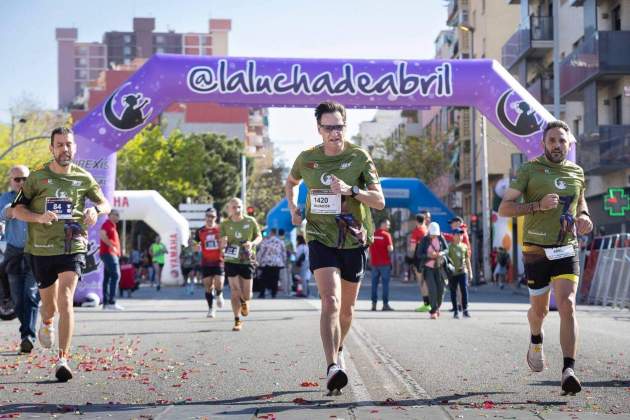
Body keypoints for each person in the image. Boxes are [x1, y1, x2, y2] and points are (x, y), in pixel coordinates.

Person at [285, 101, 385, 394]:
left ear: (345, 126)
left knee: (347, 309)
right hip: (318, 235)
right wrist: (293, 208)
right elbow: (290, 183)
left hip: (353, 238)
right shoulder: (306, 159)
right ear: (319, 129)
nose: (334, 133)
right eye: (328, 127)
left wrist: (351, 190)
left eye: (339, 126)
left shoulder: (359, 157)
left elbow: (379, 201)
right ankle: (332, 366)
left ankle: (339, 349)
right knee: (329, 301)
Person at [498, 120, 592, 395]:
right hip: (536, 249)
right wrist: (537, 205)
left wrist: (584, 216)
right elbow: (504, 208)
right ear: (543, 144)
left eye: (561, 140)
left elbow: (581, 201)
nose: (557, 145)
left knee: (568, 305)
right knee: (539, 311)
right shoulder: (530, 170)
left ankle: (568, 370)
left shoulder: (577, 172)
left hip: (566, 246)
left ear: (569, 143)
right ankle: (536, 338)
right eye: (552, 140)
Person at [12, 126, 111, 382]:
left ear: (74, 148)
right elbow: (16, 210)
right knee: (49, 306)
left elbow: (104, 202)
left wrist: (96, 211)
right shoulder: (36, 178)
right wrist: (39, 217)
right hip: (42, 250)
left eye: (68, 144)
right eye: (59, 145)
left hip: (72, 245)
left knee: (66, 299)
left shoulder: (84, 178)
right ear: (51, 148)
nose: (65, 149)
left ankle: (63, 360)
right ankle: (46, 323)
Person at [0, 165, 40, 353]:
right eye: (17, 179)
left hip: (34, 251)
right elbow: (4, 213)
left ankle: (28, 336)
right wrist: (11, 211)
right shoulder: (6, 199)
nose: (21, 182)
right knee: (17, 299)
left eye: (25, 179)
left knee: (30, 294)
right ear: (11, 181)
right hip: (14, 252)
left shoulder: (37, 198)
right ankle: (27, 333)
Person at [220, 198, 262, 331]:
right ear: (229, 209)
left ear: (242, 207)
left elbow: (259, 236)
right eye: (234, 207)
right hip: (231, 259)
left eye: (239, 207)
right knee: (234, 291)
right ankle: (237, 320)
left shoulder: (250, 221)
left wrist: (252, 243)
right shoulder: (225, 224)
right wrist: (224, 244)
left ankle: (244, 302)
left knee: (247, 294)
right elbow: (221, 242)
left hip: (247, 259)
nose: (236, 210)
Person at [416, 222, 449, 319]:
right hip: (428, 268)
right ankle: (433, 311)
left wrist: (441, 253)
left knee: (441, 289)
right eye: (432, 234)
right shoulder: (424, 240)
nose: (434, 235)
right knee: (432, 289)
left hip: (440, 267)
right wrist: (428, 255)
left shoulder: (441, 238)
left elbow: (447, 249)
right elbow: (419, 254)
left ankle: (437, 307)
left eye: (435, 234)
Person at [196, 207, 224, 318]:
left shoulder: (221, 230)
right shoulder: (200, 231)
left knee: (219, 283)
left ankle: (219, 293)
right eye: (208, 216)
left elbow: (226, 241)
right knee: (208, 286)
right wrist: (194, 246)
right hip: (206, 262)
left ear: (216, 217)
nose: (210, 218)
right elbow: (195, 243)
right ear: (205, 217)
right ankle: (211, 309)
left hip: (219, 260)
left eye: (212, 216)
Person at [99, 209, 123, 310]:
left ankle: (106, 303)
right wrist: (111, 246)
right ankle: (111, 302)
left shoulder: (112, 226)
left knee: (108, 278)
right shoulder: (107, 224)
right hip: (109, 253)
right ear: (110, 215)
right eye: (116, 214)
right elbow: (102, 234)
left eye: (118, 215)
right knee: (115, 275)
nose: (118, 216)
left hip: (110, 253)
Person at [369, 218, 394, 311]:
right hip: (385, 264)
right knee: (385, 285)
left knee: (374, 284)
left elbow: (369, 248)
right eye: (387, 224)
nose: (389, 226)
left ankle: (374, 304)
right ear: (382, 224)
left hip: (374, 263)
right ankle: (385, 305)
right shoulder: (386, 235)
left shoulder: (373, 235)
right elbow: (390, 249)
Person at [448, 228, 472, 319]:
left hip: (463, 271)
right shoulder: (449, 246)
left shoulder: (464, 246)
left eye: (461, 234)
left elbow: (467, 259)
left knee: (464, 289)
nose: (460, 236)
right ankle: (455, 311)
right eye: (457, 234)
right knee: (453, 291)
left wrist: (470, 272)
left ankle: (465, 310)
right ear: (453, 236)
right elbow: (446, 259)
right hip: (453, 273)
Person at [409, 213, 430, 312]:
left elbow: (413, 248)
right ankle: (431, 303)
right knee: (427, 281)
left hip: (419, 259)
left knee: (421, 281)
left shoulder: (416, 231)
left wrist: (410, 258)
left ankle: (426, 304)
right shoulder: (426, 230)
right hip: (428, 258)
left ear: (416, 221)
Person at [257, 228, 286, 299]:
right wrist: (283, 261)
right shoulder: (281, 242)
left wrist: (258, 261)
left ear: (271, 233)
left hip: (266, 262)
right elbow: (283, 253)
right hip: (277, 263)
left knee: (264, 278)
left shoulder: (266, 241)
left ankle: (262, 293)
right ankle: (274, 293)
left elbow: (261, 252)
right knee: (275, 278)